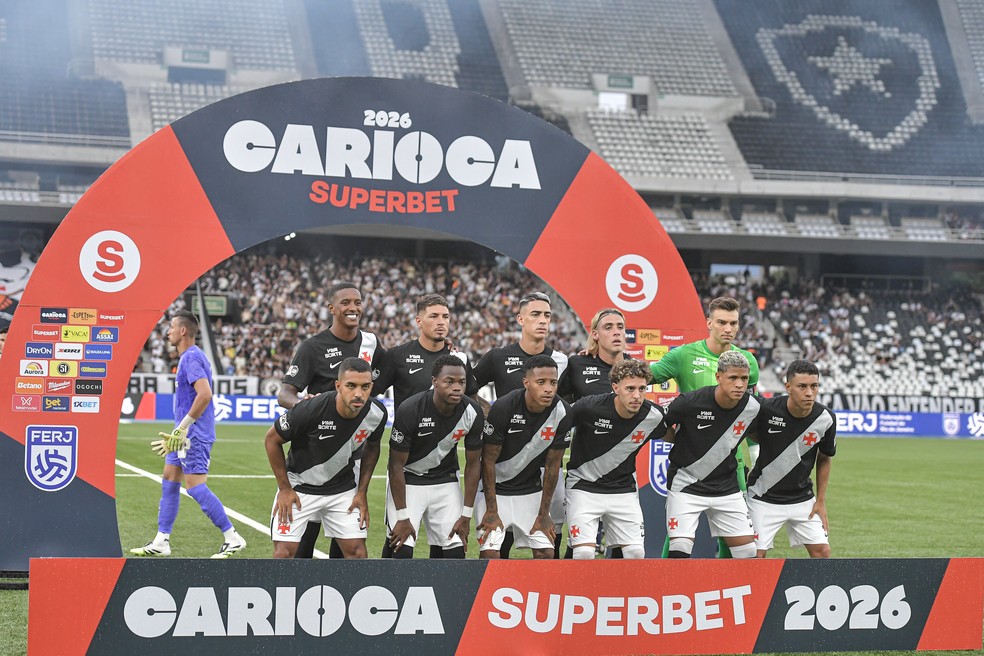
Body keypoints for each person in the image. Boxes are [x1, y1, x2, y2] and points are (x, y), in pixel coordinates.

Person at [277, 281, 385, 559]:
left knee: (346, 542)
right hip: (314, 454)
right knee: (304, 542)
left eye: (357, 302)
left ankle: (338, 586)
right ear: (331, 308)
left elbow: (394, 368)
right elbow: (285, 393)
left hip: (351, 454)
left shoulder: (371, 343)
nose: (353, 307)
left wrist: (439, 348)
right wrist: (305, 406)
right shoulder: (313, 347)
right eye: (345, 302)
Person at [649, 296, 759, 558]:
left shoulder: (747, 362)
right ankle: (666, 580)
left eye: (733, 323)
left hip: (731, 463)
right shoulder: (684, 355)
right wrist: (611, 359)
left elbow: (751, 412)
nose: (728, 329)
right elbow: (645, 376)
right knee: (677, 538)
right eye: (721, 322)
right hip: (691, 462)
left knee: (733, 539)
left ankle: (726, 583)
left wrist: (755, 455)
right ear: (709, 323)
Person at [131, 311, 246, 558]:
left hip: (192, 435)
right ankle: (162, 541)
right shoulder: (189, 357)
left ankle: (232, 537)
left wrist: (183, 427)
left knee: (194, 486)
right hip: (181, 435)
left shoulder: (191, 357)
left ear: (183, 331)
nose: (168, 332)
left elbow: (205, 394)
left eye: (171, 327)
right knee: (169, 479)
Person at [374, 294, 479, 558]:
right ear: (419, 321)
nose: (441, 322)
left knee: (447, 547)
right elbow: (369, 393)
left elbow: (472, 402)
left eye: (445, 316)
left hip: (445, 470)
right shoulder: (397, 356)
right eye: (433, 316)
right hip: (406, 468)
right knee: (398, 543)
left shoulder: (458, 358)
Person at [473, 291, 569, 557]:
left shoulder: (562, 361)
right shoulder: (498, 357)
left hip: (545, 463)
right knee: (500, 538)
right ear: (520, 319)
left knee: (551, 531)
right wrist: (491, 411)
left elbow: (569, 400)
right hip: (504, 461)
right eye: (535, 314)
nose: (543, 320)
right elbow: (468, 388)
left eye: (547, 315)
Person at [265, 357, 386, 558]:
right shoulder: (311, 408)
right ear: (338, 386)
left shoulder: (376, 413)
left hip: (342, 489)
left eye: (365, 387)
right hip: (299, 487)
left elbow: (372, 447)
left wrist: (362, 491)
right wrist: (285, 489)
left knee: (357, 553)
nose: (358, 393)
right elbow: (271, 440)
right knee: (284, 554)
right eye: (351, 386)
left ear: (371, 387)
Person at [385, 355, 485, 558]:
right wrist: (402, 516)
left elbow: (474, 464)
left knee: (455, 552)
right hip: (409, 479)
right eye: (449, 381)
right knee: (401, 547)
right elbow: (395, 466)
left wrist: (466, 515)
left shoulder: (473, 412)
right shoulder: (410, 409)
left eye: (462, 382)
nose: (457, 387)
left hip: (445, 480)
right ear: (434, 381)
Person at [566, 359, 667, 560]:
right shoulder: (589, 407)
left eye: (642, 389)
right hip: (583, 486)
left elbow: (671, 436)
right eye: (630, 389)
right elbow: (558, 425)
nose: (637, 396)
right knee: (583, 553)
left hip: (623, 489)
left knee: (636, 553)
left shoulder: (654, 416)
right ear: (615, 388)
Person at [662, 351, 759, 559]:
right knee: (679, 549)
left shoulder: (753, 407)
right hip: (686, 485)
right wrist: (679, 439)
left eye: (744, 378)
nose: (739, 384)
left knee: (748, 552)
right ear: (718, 377)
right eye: (733, 378)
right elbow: (659, 424)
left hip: (726, 488)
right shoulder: (689, 402)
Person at [746, 360, 836, 558]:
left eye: (814, 386)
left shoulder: (826, 418)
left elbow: (825, 458)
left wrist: (821, 501)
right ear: (788, 387)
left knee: (822, 552)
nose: (809, 393)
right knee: (755, 555)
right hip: (762, 496)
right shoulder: (767, 409)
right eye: (802, 386)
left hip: (802, 498)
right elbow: (747, 433)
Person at [560, 308, 630, 400]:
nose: (616, 332)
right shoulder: (577, 364)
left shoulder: (635, 368)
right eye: (608, 328)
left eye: (620, 327)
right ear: (595, 334)